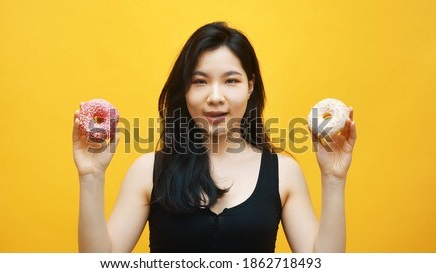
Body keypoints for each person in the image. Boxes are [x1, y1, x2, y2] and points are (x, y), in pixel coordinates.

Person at [72, 21, 357, 253]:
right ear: (184, 91)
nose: (215, 97)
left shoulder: (283, 172)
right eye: (200, 82)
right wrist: (91, 176)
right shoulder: (148, 171)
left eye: (231, 80)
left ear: (249, 86)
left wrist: (333, 179)